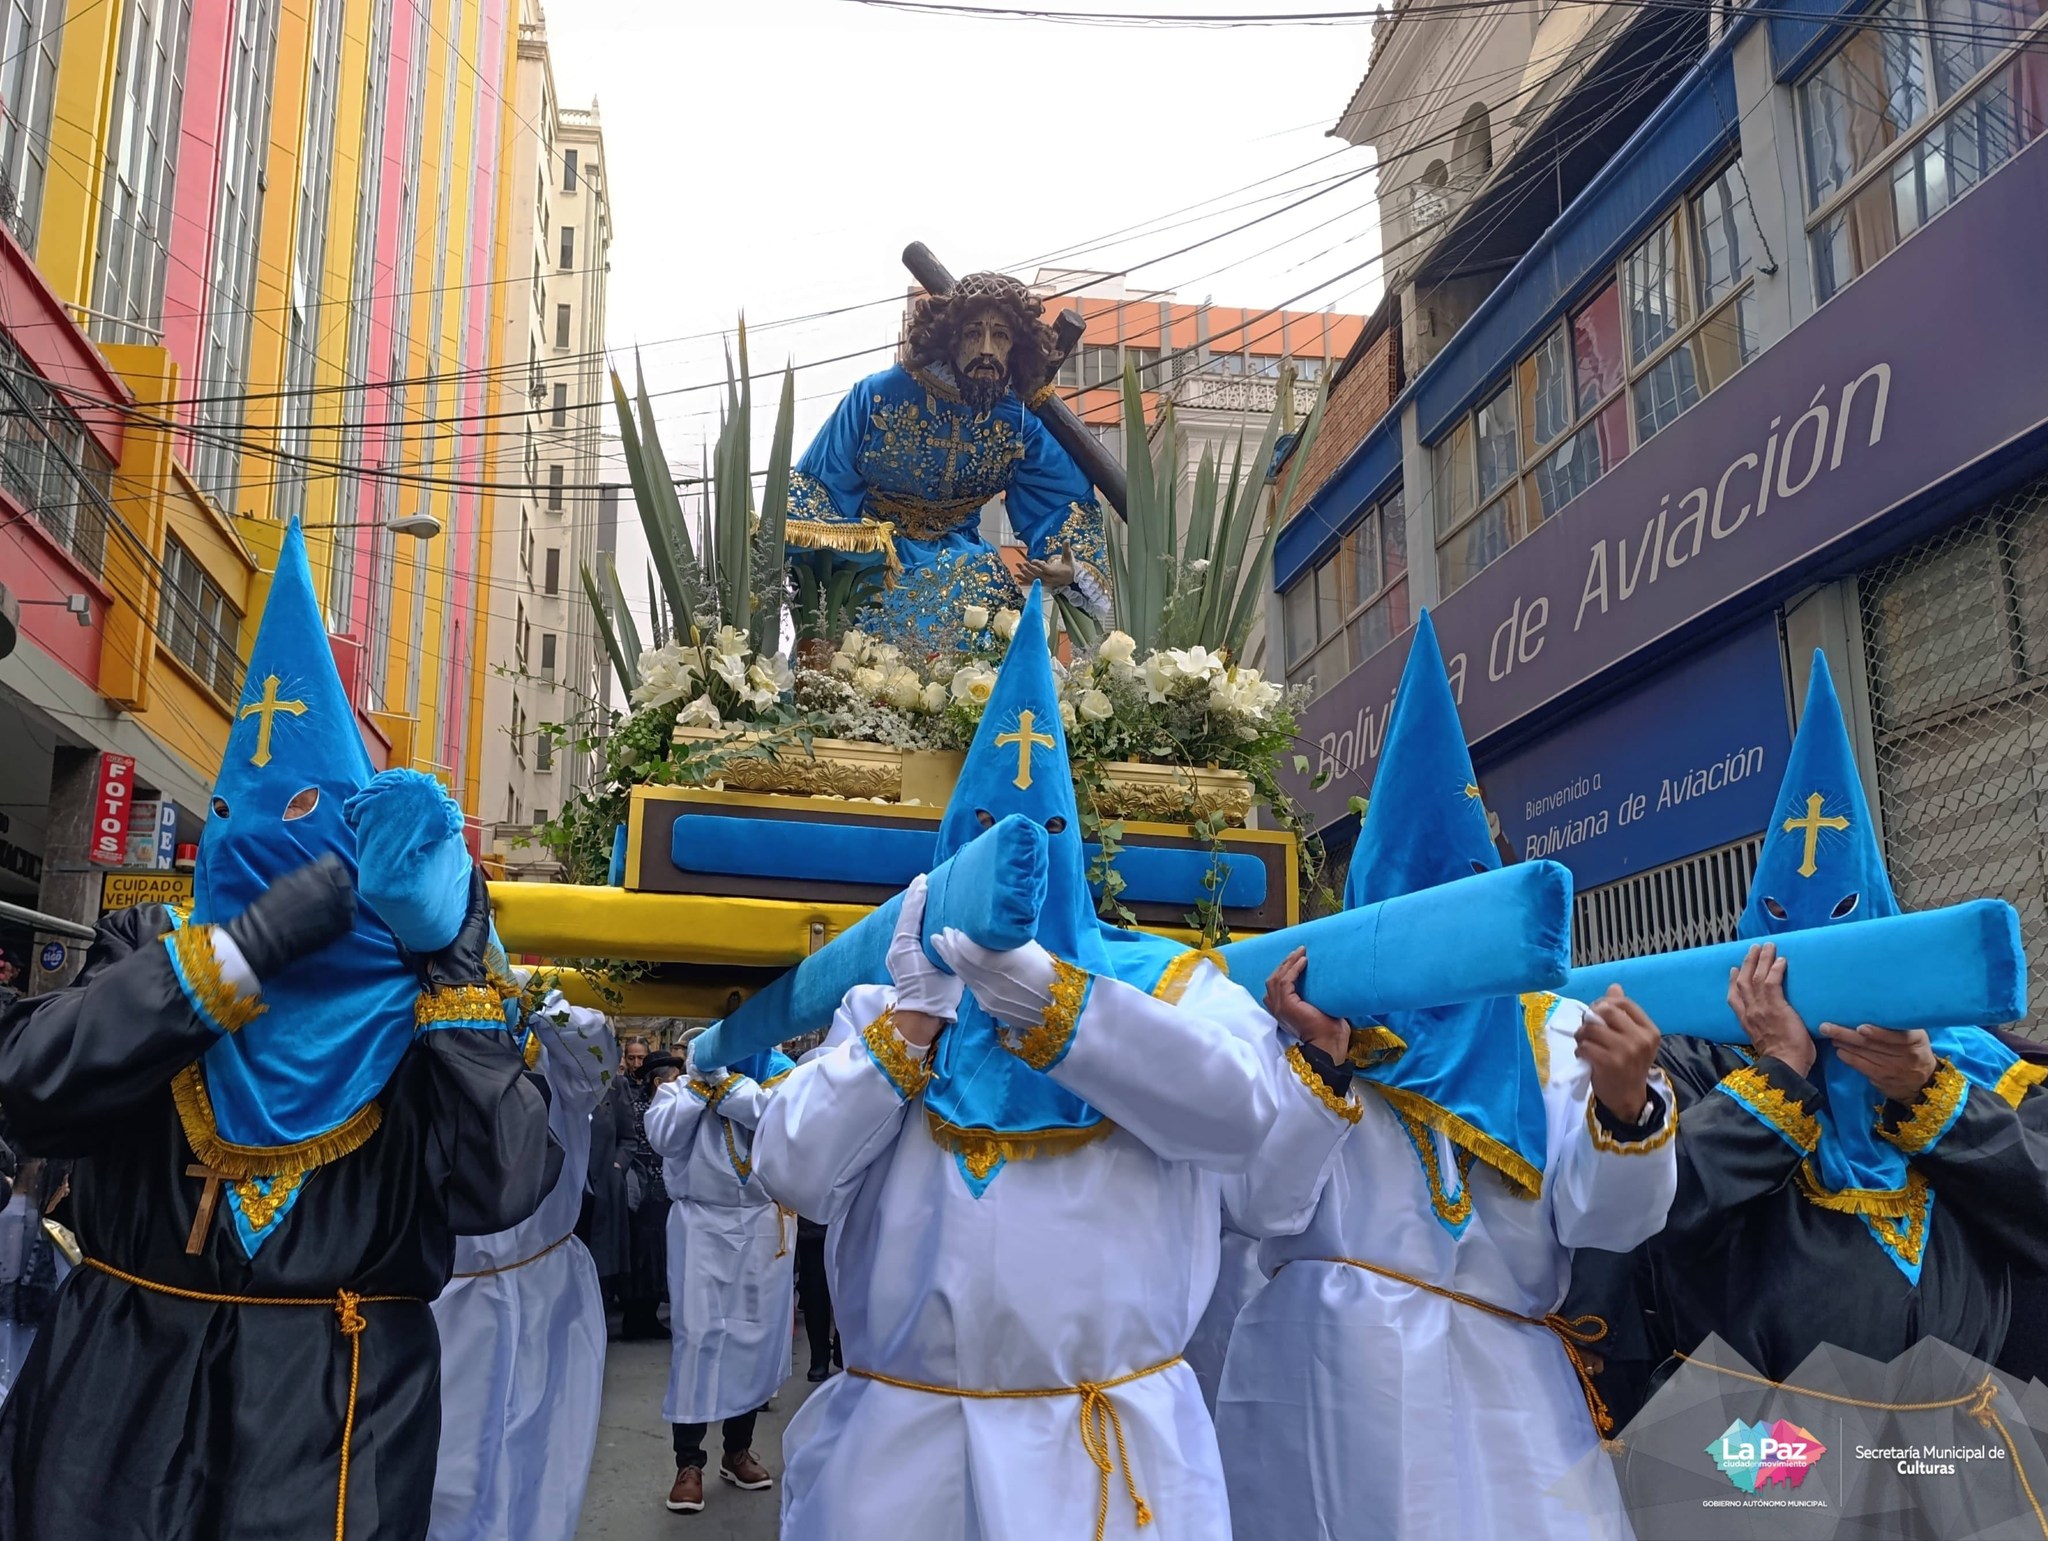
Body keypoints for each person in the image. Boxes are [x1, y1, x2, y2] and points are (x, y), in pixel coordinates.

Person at [753, 587, 1359, 1541]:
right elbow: (792, 1170)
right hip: (902, 1462)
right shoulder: (891, 1001)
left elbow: (1242, 1115)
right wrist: (915, 1020)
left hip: (1103, 1463)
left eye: (1045, 844)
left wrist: (1051, 1000)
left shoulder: (1171, 985)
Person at [0, 518, 557, 1541]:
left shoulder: (428, 997)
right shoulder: (157, 945)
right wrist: (244, 950)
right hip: (119, 1390)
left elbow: (502, 1185)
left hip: (333, 1410)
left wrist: (455, 970)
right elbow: (33, 1087)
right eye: (240, 819)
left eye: (306, 818)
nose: (265, 843)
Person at [1215, 614, 1678, 1541]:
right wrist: (1320, 1065)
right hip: (1334, 1383)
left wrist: (1627, 1105)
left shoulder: (1551, 1031)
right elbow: (1257, 1206)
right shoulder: (1302, 1018)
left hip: (1507, 1392)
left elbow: (1609, 1222)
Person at [1613, 655, 2048, 1388]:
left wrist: (1931, 1093)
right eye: (1782, 925)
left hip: (1958, 1438)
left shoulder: (1979, 1063)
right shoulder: (1695, 1058)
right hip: (1767, 1434)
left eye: (1846, 921)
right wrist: (1778, 1074)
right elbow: (1649, 1212)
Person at [783, 271, 1109, 648]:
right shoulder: (879, 396)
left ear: (1015, 347)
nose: (987, 350)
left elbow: (1061, 501)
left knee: (1005, 640)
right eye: (973, 333)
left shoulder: (1017, 421)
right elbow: (819, 485)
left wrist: (1070, 564)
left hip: (970, 566)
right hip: (880, 565)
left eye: (1000, 336)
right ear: (950, 338)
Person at [429, 981, 616, 1541]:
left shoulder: (547, 1047)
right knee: (450, 1468)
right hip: (448, 1295)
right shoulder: (418, 1024)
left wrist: (534, 1000)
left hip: (547, 1289)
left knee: (544, 1452)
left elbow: (595, 1060)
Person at [646, 1038, 795, 1514]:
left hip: (762, 1223)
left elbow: (782, 1126)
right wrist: (699, 1087)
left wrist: (727, 1086)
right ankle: (688, 1463)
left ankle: (737, 1450)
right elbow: (663, 1138)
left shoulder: (779, 1083)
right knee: (699, 1337)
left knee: (753, 1338)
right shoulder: (677, 1090)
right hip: (701, 1224)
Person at [614, 1035, 670, 1340]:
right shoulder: (637, 1106)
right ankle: (636, 1317)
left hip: (663, 1190)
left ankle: (647, 1315)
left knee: (656, 1254)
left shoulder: (665, 1105)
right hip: (643, 1189)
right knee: (641, 1254)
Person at [793, 1212, 839, 1383]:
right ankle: (823, 1357)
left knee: (820, 1292)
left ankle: (824, 1358)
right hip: (818, 1225)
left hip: (822, 1222)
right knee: (817, 1292)